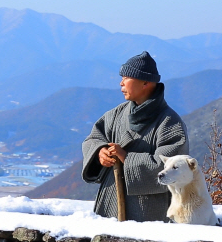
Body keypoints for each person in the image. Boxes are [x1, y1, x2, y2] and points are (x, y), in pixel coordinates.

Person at [81, 52, 189, 222]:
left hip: (148, 209)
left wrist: (126, 157)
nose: (121, 83)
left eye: (126, 78)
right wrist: (99, 152)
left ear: (145, 82)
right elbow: (93, 138)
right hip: (111, 200)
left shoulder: (170, 123)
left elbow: (171, 166)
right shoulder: (117, 114)